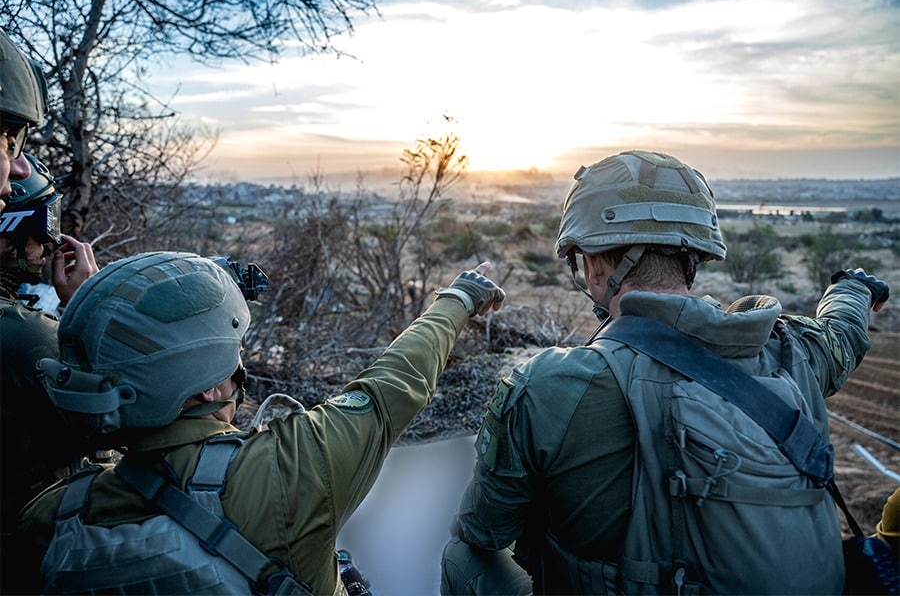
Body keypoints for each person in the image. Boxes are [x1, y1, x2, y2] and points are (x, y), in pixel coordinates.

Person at [441, 150, 889, 595]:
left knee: (463, 557)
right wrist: (852, 287)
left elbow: (484, 529)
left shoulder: (551, 385)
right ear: (694, 257)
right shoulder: (791, 353)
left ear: (596, 266)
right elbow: (841, 335)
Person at [16, 250, 506, 594]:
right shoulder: (291, 469)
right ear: (208, 387)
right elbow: (393, 384)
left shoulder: (49, 519)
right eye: (232, 351)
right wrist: (458, 297)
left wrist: (107, 330)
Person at [1, 29, 100, 595]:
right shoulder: (20, 338)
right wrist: (87, 308)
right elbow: (119, 428)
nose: (14, 169)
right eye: (5, 142)